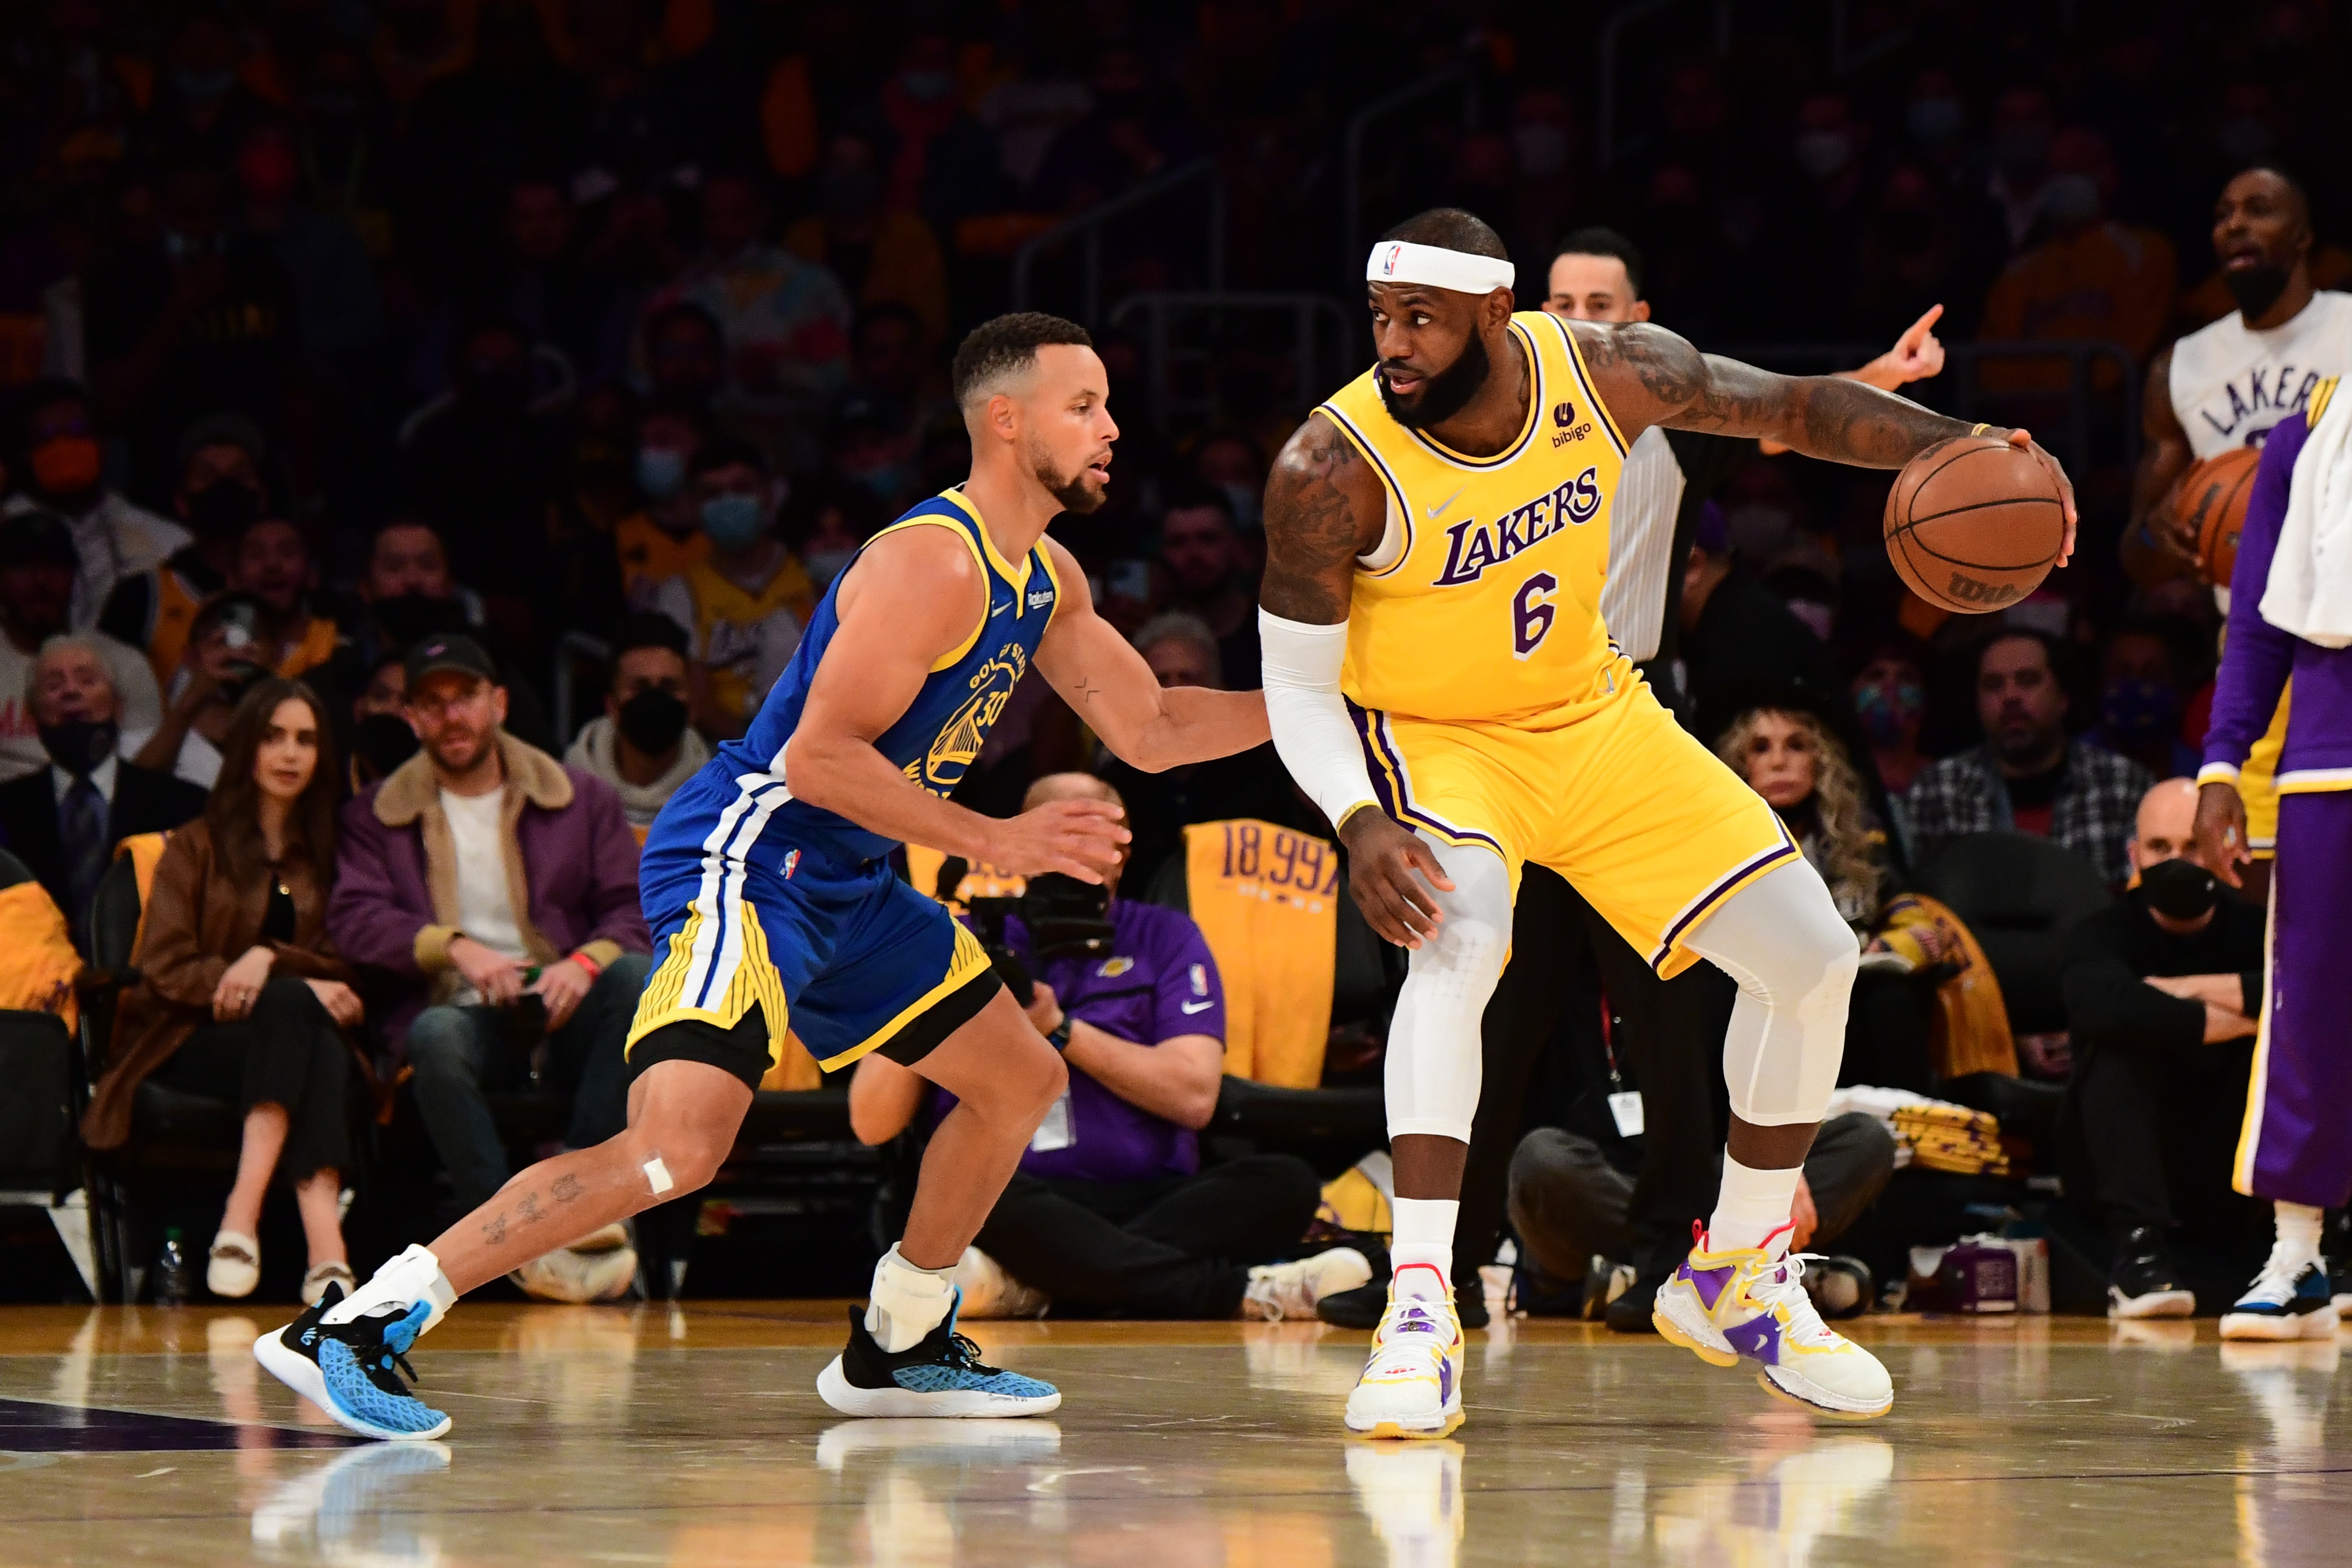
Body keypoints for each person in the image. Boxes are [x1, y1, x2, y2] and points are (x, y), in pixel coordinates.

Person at [256, 312, 1268, 1438]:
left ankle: (901, 1339)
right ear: (1005, 418)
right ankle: (363, 1323)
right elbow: (816, 758)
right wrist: (998, 840)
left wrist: (1331, 704)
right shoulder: (929, 560)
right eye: (1085, 406)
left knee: (1018, 1079)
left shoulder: (1049, 577)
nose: (1111, 428)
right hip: (750, 856)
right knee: (676, 1149)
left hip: (850, 878)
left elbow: (1158, 725)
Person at [1255, 208, 2074, 1435]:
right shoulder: (1327, 469)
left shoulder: (1612, 371)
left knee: (1811, 957)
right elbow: (1298, 691)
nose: (1392, 345)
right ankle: (1417, 1304)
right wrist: (1359, 817)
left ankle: (1734, 1271)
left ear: (1496, 311)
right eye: (1377, 318)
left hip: (1590, 716)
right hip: (1437, 743)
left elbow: (1795, 409)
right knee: (1458, 940)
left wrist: (1963, 443)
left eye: (1418, 319)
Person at [848, 773, 1367, 1321]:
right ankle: (1238, 1291)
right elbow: (871, 1121)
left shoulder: (1165, 936)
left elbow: (1194, 1097)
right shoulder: (957, 938)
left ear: (1125, 851)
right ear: (1019, 843)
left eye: (1097, 837)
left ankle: (1033, 1282)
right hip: (1013, 1196)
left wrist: (1058, 1026)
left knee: (1283, 1183)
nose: (1078, 856)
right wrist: (934, 990)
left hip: (1151, 1194)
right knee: (963, 1191)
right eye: (1060, 836)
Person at [326, 634, 653, 1306]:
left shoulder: (581, 797)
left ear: (497, 702)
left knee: (634, 981)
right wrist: (454, 948)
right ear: (412, 718)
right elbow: (355, 919)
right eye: (432, 703)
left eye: (466, 697)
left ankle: (584, 1210)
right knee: (436, 1037)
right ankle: (511, 1242)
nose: (452, 716)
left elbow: (632, 909)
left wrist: (584, 964)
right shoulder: (375, 813)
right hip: (464, 1008)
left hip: (564, 1005)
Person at [82, 680, 366, 1306]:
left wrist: (269, 957)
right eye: (273, 737)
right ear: (247, 749)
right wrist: (248, 977)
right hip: (196, 1037)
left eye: (306, 740)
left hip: (298, 1038)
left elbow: (349, 967)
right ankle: (325, 1248)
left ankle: (248, 1224)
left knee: (303, 1020)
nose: (290, 754)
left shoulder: (330, 854)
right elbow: (164, 966)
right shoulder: (195, 843)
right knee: (303, 1017)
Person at [2127, 165, 2352, 900]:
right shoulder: (2182, 367)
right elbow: (2137, 552)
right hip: (2255, 646)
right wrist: (2170, 534)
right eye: (2224, 213)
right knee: (2258, 891)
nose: (2235, 225)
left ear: (2304, 236)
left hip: (2337, 632)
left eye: (2259, 210)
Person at [2193, 376, 2352, 1342]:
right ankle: (2298, 1253)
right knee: (2308, 1017)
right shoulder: (2313, 428)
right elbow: (2254, 613)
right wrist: (2222, 758)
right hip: (2329, 760)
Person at [2062, 779, 2265, 1320]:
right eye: (2159, 848)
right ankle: (2139, 1252)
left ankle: (2317, 1245)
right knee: (2115, 1046)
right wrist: (2250, 1015)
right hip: (2132, 1149)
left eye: (2192, 846)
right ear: (2134, 855)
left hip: (2232, 1157)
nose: (2177, 861)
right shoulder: (2100, 933)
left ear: (2221, 849)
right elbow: (2103, 1006)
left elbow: (2308, 995)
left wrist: (2178, 990)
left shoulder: (2259, 929)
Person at [0, 634, 207, 945]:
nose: (71, 691)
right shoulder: (5, 810)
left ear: (118, 706)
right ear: (33, 715)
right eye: (54, 685)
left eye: (87, 680)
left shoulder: (183, 807)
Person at [1098, 612, 1321, 896]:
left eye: (1187, 678)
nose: (1174, 693)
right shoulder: (1113, 789)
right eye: (1160, 680)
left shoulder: (1266, 784)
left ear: (1219, 690)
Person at [1905, 629, 2152, 884]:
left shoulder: (2124, 786)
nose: (2010, 696)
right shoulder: (1937, 792)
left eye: (2028, 680)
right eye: (1993, 685)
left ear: (2063, 698)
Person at [647, 439, 813, 739]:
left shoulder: (810, 573)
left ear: (769, 495)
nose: (729, 502)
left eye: (741, 488)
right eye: (712, 494)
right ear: (694, 505)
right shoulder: (680, 593)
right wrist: (755, 748)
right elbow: (694, 699)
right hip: (725, 750)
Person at [4, 379, 189, 630]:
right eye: (46, 437)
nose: (64, 447)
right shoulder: (6, 528)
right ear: (25, 454)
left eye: (78, 432)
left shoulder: (164, 540)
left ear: (104, 444)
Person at [1, 512, 162, 782]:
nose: (40, 580)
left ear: (74, 576)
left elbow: (148, 774)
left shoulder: (121, 662)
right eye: (23, 567)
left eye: (54, 566)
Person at [564, 613, 707, 837]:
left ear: (691, 703)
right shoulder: (564, 794)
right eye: (640, 688)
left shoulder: (721, 800)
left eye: (669, 687)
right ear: (612, 705)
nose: (655, 700)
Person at [1153, 486, 1260, 692]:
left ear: (1235, 545)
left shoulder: (1271, 634)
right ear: (1162, 551)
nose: (1194, 555)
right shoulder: (1145, 635)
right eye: (1178, 542)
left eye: (1208, 539)